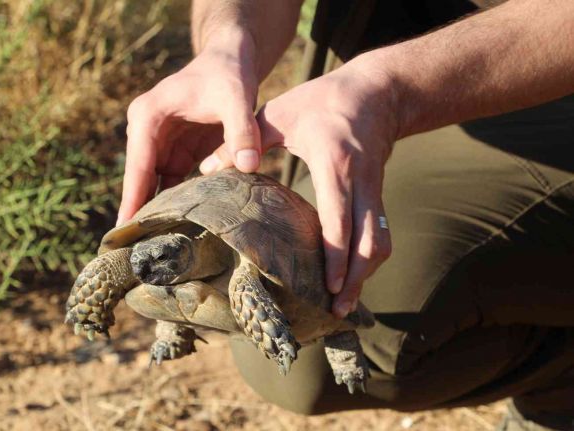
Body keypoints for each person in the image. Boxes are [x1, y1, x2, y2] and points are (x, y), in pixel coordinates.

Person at [117, 0, 574, 429]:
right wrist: (229, 39)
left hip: (548, 85)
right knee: (295, 355)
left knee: (317, 348)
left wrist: (391, 89)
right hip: (375, 66)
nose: (148, 269)